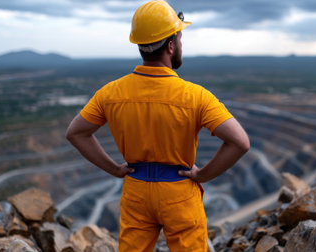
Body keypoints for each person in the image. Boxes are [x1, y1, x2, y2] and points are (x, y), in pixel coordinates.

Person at [65, 0, 249, 251]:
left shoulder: (110, 93)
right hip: (180, 191)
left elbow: (76, 133)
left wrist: (115, 169)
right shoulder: (195, 96)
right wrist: (201, 175)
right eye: (180, 38)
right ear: (171, 46)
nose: (181, 44)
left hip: (136, 190)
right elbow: (239, 142)